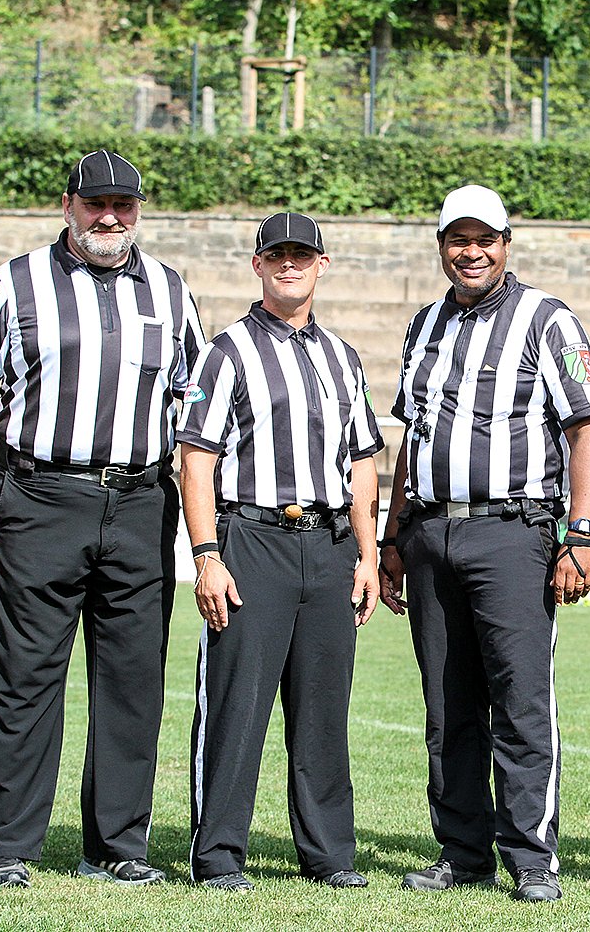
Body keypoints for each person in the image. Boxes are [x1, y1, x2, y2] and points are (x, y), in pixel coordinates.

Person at [0, 149, 206, 888]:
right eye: (96, 204)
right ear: (69, 206)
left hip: (141, 503)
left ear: (139, 209)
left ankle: (115, 847)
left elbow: (195, 409)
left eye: (124, 204)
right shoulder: (17, 282)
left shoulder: (171, 290)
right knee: (24, 678)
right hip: (40, 499)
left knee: (133, 684)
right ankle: (8, 846)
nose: (110, 217)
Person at [378, 184, 590, 903]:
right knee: (448, 705)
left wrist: (581, 534)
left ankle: (532, 856)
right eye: (458, 239)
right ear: (441, 246)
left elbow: (586, 430)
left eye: (485, 240)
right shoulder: (424, 325)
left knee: (520, 700)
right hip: (430, 530)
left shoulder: (547, 319)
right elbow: (412, 439)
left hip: (512, 530)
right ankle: (463, 852)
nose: (471, 252)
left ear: (507, 243)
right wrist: (392, 535)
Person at [178, 212, 383, 893]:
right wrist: (207, 555)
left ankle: (329, 853)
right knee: (235, 704)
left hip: (328, 543)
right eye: (276, 254)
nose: (288, 264)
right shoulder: (227, 350)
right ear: (258, 264)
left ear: (322, 264)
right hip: (253, 539)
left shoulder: (343, 356)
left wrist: (367, 555)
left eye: (301, 254)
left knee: (324, 707)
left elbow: (362, 460)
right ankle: (217, 855)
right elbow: (196, 459)